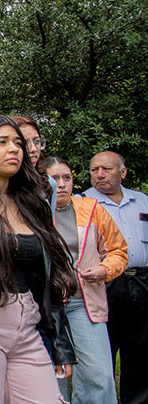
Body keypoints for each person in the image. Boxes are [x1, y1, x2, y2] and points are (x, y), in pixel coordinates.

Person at [0, 115, 77, 404]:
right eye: (2, 142)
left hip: (27, 326)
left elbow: (48, 280)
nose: (15, 149)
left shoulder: (32, 202)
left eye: (18, 143)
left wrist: (60, 345)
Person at [45, 156, 127, 404]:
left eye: (66, 178)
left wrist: (104, 270)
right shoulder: (30, 211)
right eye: (54, 178)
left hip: (84, 301)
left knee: (99, 377)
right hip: (45, 306)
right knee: (53, 378)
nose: (61, 184)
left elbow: (118, 251)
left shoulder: (92, 209)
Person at [83, 151, 148, 404]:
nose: (99, 175)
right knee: (103, 351)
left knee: (141, 352)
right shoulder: (83, 203)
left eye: (106, 169)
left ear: (123, 172)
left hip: (142, 282)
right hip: (104, 283)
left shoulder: (142, 201)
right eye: (94, 169)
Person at [10, 116, 57, 215]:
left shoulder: (48, 183)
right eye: (24, 143)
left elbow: (50, 227)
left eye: (37, 141)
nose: (33, 149)